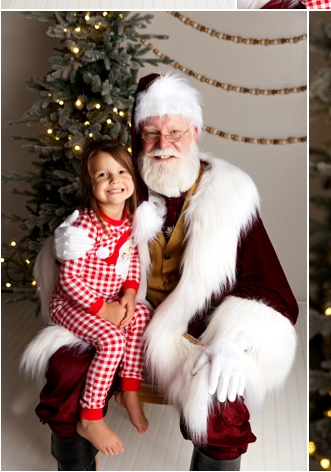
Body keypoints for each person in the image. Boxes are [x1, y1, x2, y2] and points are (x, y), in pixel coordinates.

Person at [22, 72, 299, 471]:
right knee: (65, 364)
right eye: (151, 133)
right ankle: (76, 460)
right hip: (113, 312)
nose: (163, 145)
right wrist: (61, 246)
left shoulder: (231, 196)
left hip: (194, 329)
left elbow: (267, 283)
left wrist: (235, 341)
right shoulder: (122, 182)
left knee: (221, 397)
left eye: (174, 131)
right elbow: (82, 237)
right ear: (137, 137)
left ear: (195, 132)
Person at [47, 140, 150, 458]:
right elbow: (69, 280)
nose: (114, 180)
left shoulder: (132, 220)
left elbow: (131, 261)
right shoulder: (83, 226)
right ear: (90, 184)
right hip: (73, 303)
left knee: (142, 315)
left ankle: (129, 390)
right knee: (111, 340)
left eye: (121, 171)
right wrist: (103, 309)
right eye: (102, 175)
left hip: (112, 297)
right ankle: (90, 418)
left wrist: (130, 294)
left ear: (133, 178)